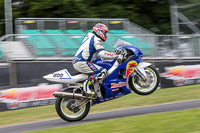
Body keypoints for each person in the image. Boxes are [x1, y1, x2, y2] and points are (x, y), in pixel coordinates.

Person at [73, 23, 123, 95]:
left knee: (97, 70)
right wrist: (116, 56)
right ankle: (86, 85)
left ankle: (95, 90)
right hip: (82, 62)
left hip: (78, 61)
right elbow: (101, 53)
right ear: (100, 31)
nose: (106, 35)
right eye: (105, 33)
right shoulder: (96, 39)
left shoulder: (89, 36)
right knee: (102, 71)